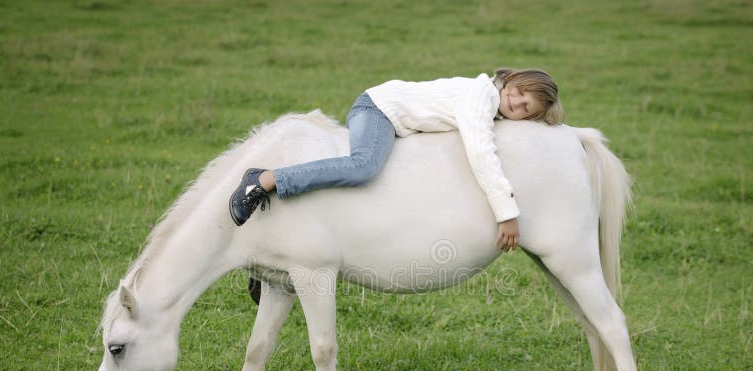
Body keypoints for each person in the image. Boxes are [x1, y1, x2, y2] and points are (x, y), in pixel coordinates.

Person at [229, 68, 563, 252]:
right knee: (364, 167)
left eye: (524, 110)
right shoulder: (483, 97)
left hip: (392, 118)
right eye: (519, 93)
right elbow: (480, 152)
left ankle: (271, 264)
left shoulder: (489, 104)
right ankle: (265, 180)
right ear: (514, 80)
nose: (514, 104)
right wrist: (507, 212)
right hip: (377, 109)